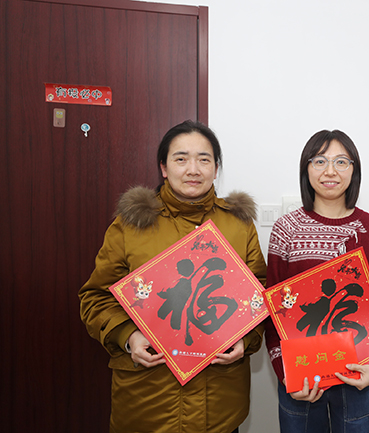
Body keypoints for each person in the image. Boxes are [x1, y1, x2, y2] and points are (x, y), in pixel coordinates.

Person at [79, 120, 266, 433]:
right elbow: (95, 298)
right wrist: (128, 336)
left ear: (216, 169)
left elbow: (260, 295)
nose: (193, 169)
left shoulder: (239, 225)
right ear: (164, 168)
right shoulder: (131, 225)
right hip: (148, 402)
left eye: (204, 159)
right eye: (181, 159)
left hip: (220, 404)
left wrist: (245, 338)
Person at [264, 130, 369, 433]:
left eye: (341, 162)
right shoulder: (286, 229)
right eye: (320, 161)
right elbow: (272, 309)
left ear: (354, 169)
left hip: (360, 371)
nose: (330, 171)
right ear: (306, 168)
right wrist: (285, 372)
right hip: (302, 376)